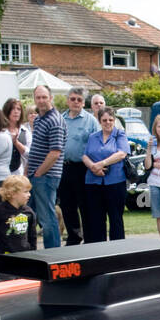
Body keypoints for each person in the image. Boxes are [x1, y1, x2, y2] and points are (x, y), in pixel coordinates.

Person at [81, 107, 130, 242]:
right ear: (99, 121)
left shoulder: (120, 135)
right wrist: (93, 167)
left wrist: (101, 163)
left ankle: (117, 249)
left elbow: (121, 153)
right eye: (104, 120)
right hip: (93, 182)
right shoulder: (93, 137)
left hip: (115, 182)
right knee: (96, 218)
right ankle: (99, 249)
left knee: (115, 218)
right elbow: (85, 156)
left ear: (114, 120)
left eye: (110, 120)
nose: (107, 122)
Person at [56, 89, 97, 245]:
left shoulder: (91, 121)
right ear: (67, 101)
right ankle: (73, 237)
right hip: (64, 167)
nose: (75, 102)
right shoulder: (60, 119)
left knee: (85, 205)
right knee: (67, 205)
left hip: (83, 168)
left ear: (84, 103)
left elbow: (97, 144)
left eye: (79, 99)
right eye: (72, 99)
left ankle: (89, 239)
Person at [26, 85, 64, 248]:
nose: (41, 101)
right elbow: (36, 148)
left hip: (46, 177)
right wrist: (28, 170)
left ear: (51, 98)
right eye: (38, 97)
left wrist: (39, 173)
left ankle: (54, 255)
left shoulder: (54, 120)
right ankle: (27, 251)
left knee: (47, 219)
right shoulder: (40, 119)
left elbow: (55, 153)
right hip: (35, 176)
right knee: (29, 215)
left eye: (44, 97)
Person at [0, 174, 37, 277]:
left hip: (25, 257)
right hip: (5, 258)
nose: (29, 195)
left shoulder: (29, 212)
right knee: (5, 283)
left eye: (29, 191)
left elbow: (32, 236)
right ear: (13, 193)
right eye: (25, 192)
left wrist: (32, 253)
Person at [2, 97, 30, 175]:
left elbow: (29, 153)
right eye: (13, 109)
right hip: (1, 173)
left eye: (18, 109)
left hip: (19, 172)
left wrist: (16, 142)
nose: (16, 112)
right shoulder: (0, 130)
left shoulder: (24, 131)